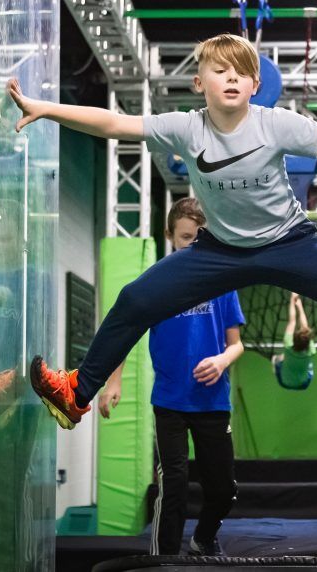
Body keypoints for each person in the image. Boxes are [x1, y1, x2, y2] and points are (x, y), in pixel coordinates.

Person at [9, 33, 317, 430]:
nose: (232, 77)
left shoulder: (274, 124)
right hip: (219, 250)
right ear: (200, 82)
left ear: (256, 84)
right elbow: (114, 123)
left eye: (241, 71)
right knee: (135, 301)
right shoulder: (185, 127)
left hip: (290, 242)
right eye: (220, 70)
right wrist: (46, 109)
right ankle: (75, 394)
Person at [98, 197, 244, 556]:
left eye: (200, 236)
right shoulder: (157, 283)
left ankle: (204, 538)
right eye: (185, 237)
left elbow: (236, 344)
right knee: (174, 484)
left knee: (223, 490)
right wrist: (112, 380)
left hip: (212, 400)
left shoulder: (224, 281)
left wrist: (223, 361)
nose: (192, 243)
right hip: (170, 401)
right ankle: (163, 558)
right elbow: (126, 329)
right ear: (170, 236)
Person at [272, 292, 316, 390]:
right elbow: (304, 327)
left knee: (277, 359)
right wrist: (300, 306)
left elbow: (292, 321)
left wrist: (292, 300)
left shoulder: (288, 345)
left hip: (284, 382)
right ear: (308, 343)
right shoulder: (311, 351)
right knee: (308, 364)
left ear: (294, 339)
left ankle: (278, 360)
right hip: (303, 384)